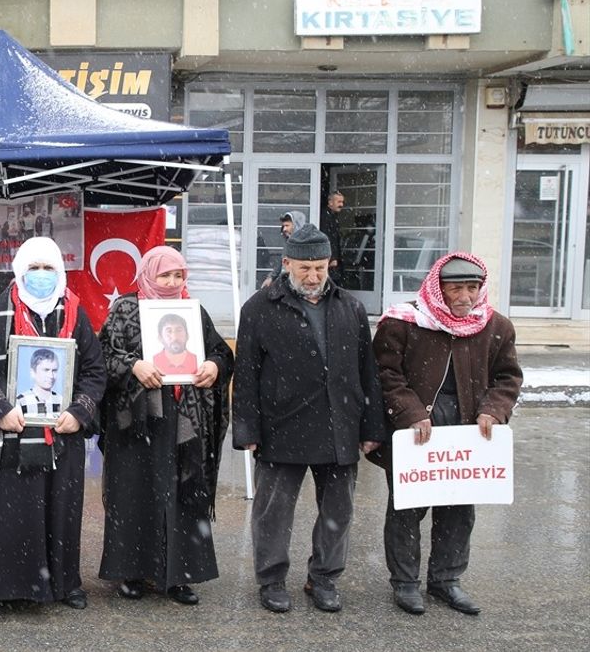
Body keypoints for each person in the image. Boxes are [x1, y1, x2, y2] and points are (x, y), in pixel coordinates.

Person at [233, 224, 384, 615]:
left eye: (320, 267)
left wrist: (371, 426)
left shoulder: (350, 307)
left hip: (340, 425)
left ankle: (324, 577)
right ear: (287, 264)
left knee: (338, 511)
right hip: (281, 426)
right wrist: (247, 428)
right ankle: (271, 579)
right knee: (273, 512)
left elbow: (367, 371)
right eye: (305, 268)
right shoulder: (259, 308)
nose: (314, 276)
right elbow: (246, 374)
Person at [0, 236, 106, 613]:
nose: (41, 275)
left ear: (60, 271)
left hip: (61, 434)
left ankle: (63, 582)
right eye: (34, 268)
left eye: (48, 268)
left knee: (60, 511)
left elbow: (94, 370)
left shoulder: (75, 313)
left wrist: (79, 412)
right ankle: (2, 587)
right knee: (11, 515)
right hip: (11, 433)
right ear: (19, 271)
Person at [373, 253, 522, 617]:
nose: (465, 297)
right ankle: (405, 582)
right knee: (407, 507)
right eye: (456, 288)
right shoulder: (404, 323)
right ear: (438, 288)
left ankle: (446, 580)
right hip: (416, 426)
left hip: (467, 426)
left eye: (472, 288)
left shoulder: (496, 326)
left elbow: (508, 377)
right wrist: (410, 412)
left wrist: (493, 409)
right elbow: (385, 374)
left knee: (459, 509)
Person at [97, 246, 233, 606]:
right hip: (137, 422)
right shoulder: (125, 309)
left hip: (184, 421)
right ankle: (133, 572)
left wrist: (215, 367)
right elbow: (102, 355)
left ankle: (180, 574)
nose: (173, 282)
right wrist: (133, 366)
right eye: (165, 275)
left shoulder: (193, 311)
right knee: (135, 493)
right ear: (148, 274)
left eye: (178, 275)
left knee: (182, 494)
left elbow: (221, 352)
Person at [16, 348, 63, 426]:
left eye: (54, 370)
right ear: (33, 372)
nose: (51, 376)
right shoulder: (20, 401)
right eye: (46, 370)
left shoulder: (62, 401)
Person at [261, 210, 307, 288]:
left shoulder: (305, 245)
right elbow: (282, 262)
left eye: (287, 225)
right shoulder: (288, 242)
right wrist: (271, 277)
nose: (284, 229)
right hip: (284, 284)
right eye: (283, 226)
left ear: (296, 225)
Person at [320, 191, 346, 276]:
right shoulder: (326, 217)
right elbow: (328, 237)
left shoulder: (332, 216)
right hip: (328, 259)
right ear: (330, 202)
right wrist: (332, 258)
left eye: (342, 202)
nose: (341, 205)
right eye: (339, 202)